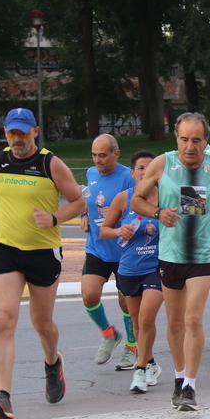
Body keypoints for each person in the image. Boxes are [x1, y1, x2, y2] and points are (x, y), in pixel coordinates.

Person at [0, 107, 85, 419]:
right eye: (12, 133)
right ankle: (3, 398)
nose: (17, 139)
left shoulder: (50, 164)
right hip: (7, 249)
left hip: (43, 252)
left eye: (22, 133)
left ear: (35, 132)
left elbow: (79, 201)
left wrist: (53, 218)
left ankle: (53, 362)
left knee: (42, 324)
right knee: (3, 319)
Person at [130, 112, 210, 411]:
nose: (190, 146)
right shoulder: (163, 164)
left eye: (196, 140)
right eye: (184, 139)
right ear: (176, 138)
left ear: (206, 141)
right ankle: (179, 378)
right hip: (171, 254)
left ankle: (190, 387)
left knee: (193, 318)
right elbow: (136, 200)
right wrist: (157, 212)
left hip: (204, 254)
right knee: (175, 322)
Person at [99, 150, 163, 392]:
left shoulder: (167, 197)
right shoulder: (123, 199)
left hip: (156, 268)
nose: (145, 172)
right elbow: (103, 230)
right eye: (141, 168)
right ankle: (151, 363)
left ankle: (139, 369)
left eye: (150, 168)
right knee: (137, 322)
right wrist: (118, 231)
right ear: (133, 172)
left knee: (147, 318)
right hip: (128, 268)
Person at [81, 134, 138, 369]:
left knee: (126, 304)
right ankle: (109, 334)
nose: (98, 160)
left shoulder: (128, 177)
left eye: (103, 155)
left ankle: (132, 346)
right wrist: (84, 214)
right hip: (97, 245)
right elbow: (86, 199)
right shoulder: (90, 174)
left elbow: (137, 205)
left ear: (116, 153)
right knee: (89, 295)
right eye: (94, 155)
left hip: (123, 249)